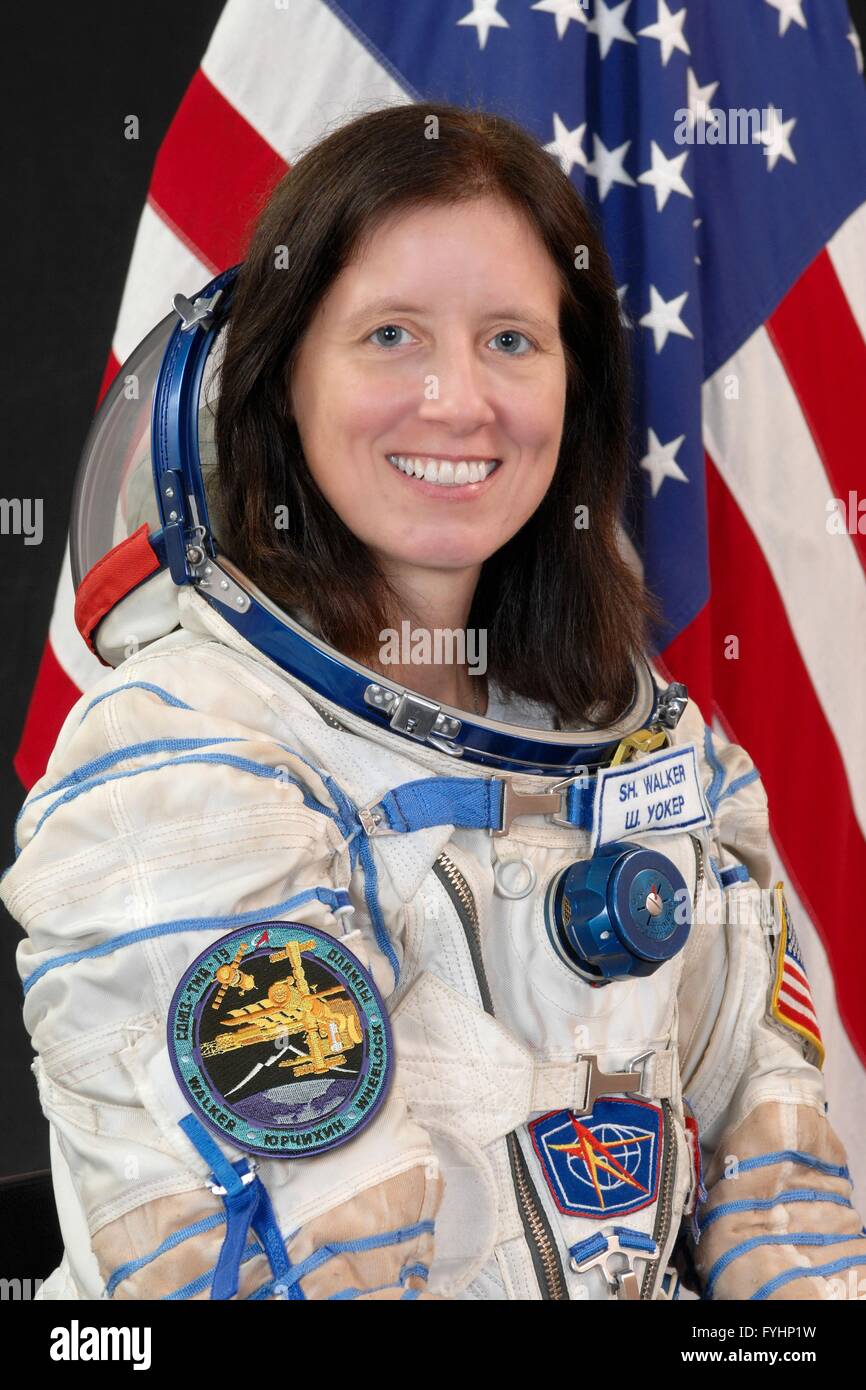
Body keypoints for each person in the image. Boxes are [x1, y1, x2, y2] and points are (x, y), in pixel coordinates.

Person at [3, 100, 864, 1302]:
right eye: (391, 335)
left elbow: (784, 1217)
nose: (458, 401)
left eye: (511, 340)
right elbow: (293, 1270)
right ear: (279, 379)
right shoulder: (184, 764)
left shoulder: (666, 754)